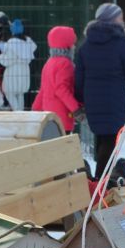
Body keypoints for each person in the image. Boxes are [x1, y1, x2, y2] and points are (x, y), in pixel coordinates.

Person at [74, 3, 125, 184]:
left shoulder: (86, 45)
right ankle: (100, 183)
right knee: (110, 142)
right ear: (112, 19)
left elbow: (79, 76)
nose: (123, 20)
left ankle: (99, 179)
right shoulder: (121, 43)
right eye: (120, 17)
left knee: (103, 138)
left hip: (93, 102)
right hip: (115, 102)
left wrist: (79, 99)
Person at [33, 24, 88, 158]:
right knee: (62, 153)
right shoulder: (66, 64)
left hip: (49, 115)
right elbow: (61, 89)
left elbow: (43, 90)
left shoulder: (49, 62)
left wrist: (35, 110)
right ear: (67, 47)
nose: (74, 47)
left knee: (52, 152)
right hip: (62, 116)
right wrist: (76, 109)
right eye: (72, 44)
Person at [0, 25, 36, 111]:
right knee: (20, 94)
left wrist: (1, 56)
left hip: (13, 72)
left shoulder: (11, 42)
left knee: (9, 92)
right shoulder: (27, 41)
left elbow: (7, 61)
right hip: (24, 71)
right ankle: (21, 112)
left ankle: (17, 112)